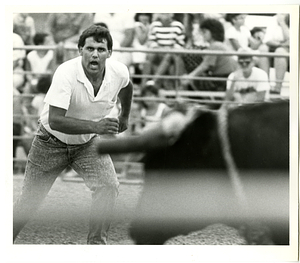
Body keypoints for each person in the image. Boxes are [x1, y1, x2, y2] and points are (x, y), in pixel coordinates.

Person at [13, 25, 134, 245]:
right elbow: (56, 120)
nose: (95, 54)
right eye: (89, 48)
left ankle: (96, 247)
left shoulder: (119, 72)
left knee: (108, 186)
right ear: (80, 50)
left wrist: (125, 116)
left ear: (110, 53)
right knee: (29, 203)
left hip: (87, 144)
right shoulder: (66, 73)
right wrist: (97, 127)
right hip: (49, 142)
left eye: (100, 49)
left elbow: (127, 86)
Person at [181, 18, 237, 92]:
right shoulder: (220, 45)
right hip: (225, 79)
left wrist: (189, 77)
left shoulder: (215, 46)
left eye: (204, 32)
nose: (203, 35)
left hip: (221, 81)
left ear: (213, 32)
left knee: (197, 77)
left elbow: (205, 66)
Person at [142, 13, 186, 89]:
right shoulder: (154, 25)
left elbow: (180, 44)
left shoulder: (178, 26)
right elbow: (151, 42)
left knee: (169, 55)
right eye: (162, 13)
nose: (164, 15)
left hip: (172, 53)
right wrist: (161, 49)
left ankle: (154, 81)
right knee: (149, 56)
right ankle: (143, 84)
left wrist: (169, 49)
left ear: (172, 14)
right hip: (158, 52)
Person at [258, 13, 289, 94]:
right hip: (277, 46)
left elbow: (291, 40)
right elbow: (267, 40)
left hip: (290, 50)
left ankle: (277, 88)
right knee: (263, 49)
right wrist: (281, 44)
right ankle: (265, 85)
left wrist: (283, 24)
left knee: (280, 52)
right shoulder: (274, 19)